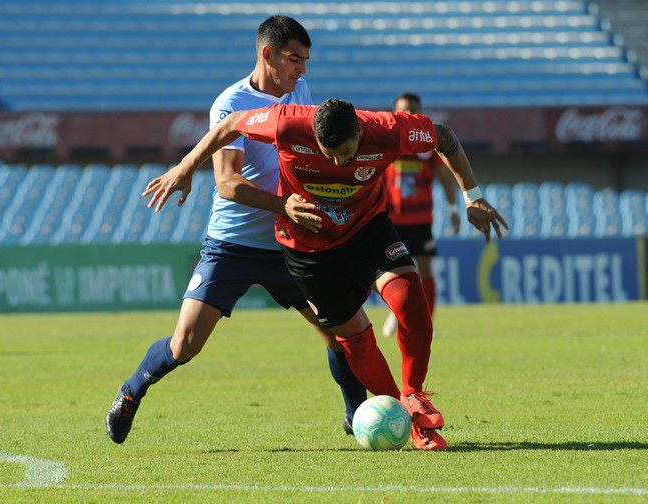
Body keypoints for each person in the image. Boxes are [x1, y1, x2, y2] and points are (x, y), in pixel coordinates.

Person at [144, 98, 509, 451]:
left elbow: (443, 136)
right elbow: (228, 124)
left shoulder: (387, 129)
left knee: (410, 299)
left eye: (345, 154)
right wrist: (185, 167)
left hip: (367, 229)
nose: (336, 161)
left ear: (359, 134)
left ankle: (413, 394)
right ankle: (405, 419)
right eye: (327, 153)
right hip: (308, 250)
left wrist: (472, 196)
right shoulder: (287, 122)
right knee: (355, 340)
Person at [105, 16, 367, 446]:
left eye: (306, 61)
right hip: (234, 244)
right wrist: (283, 203)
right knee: (185, 344)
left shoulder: (297, 90)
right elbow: (227, 185)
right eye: (294, 59)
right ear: (267, 54)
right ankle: (131, 391)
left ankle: (356, 414)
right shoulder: (230, 104)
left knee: (339, 332)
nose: (302, 70)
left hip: (289, 241)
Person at [381, 93, 461, 338]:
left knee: (424, 271)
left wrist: (453, 209)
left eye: (413, 109)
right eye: (404, 110)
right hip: (391, 220)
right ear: (395, 113)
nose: (409, 114)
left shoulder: (427, 146)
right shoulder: (386, 143)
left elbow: (446, 177)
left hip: (421, 220)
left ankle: (427, 322)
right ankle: (399, 313)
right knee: (392, 274)